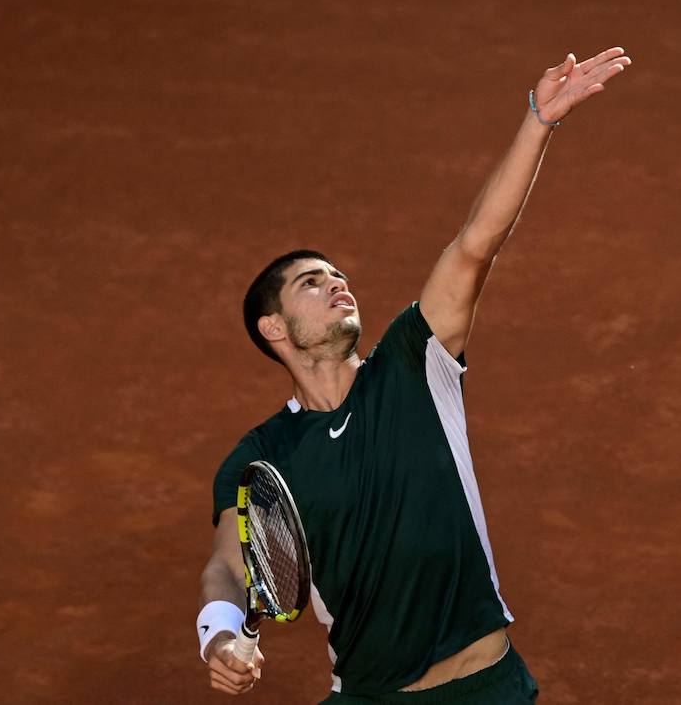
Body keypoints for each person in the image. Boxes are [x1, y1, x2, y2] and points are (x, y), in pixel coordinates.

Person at [195, 47, 632, 704]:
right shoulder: (263, 459)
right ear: (274, 329)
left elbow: (474, 244)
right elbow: (230, 565)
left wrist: (538, 121)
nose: (337, 286)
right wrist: (222, 633)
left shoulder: (414, 363)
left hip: (488, 689)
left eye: (338, 277)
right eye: (312, 284)